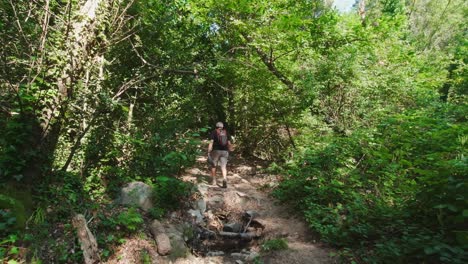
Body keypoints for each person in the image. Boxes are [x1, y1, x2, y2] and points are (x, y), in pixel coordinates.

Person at [207, 121, 231, 188]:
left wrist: (209, 150)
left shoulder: (214, 132)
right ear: (222, 126)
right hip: (225, 151)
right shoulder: (226, 132)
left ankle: (214, 181)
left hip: (216, 151)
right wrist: (229, 150)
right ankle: (224, 179)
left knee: (213, 165)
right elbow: (229, 143)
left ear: (216, 126)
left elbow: (211, 142)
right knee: (223, 166)